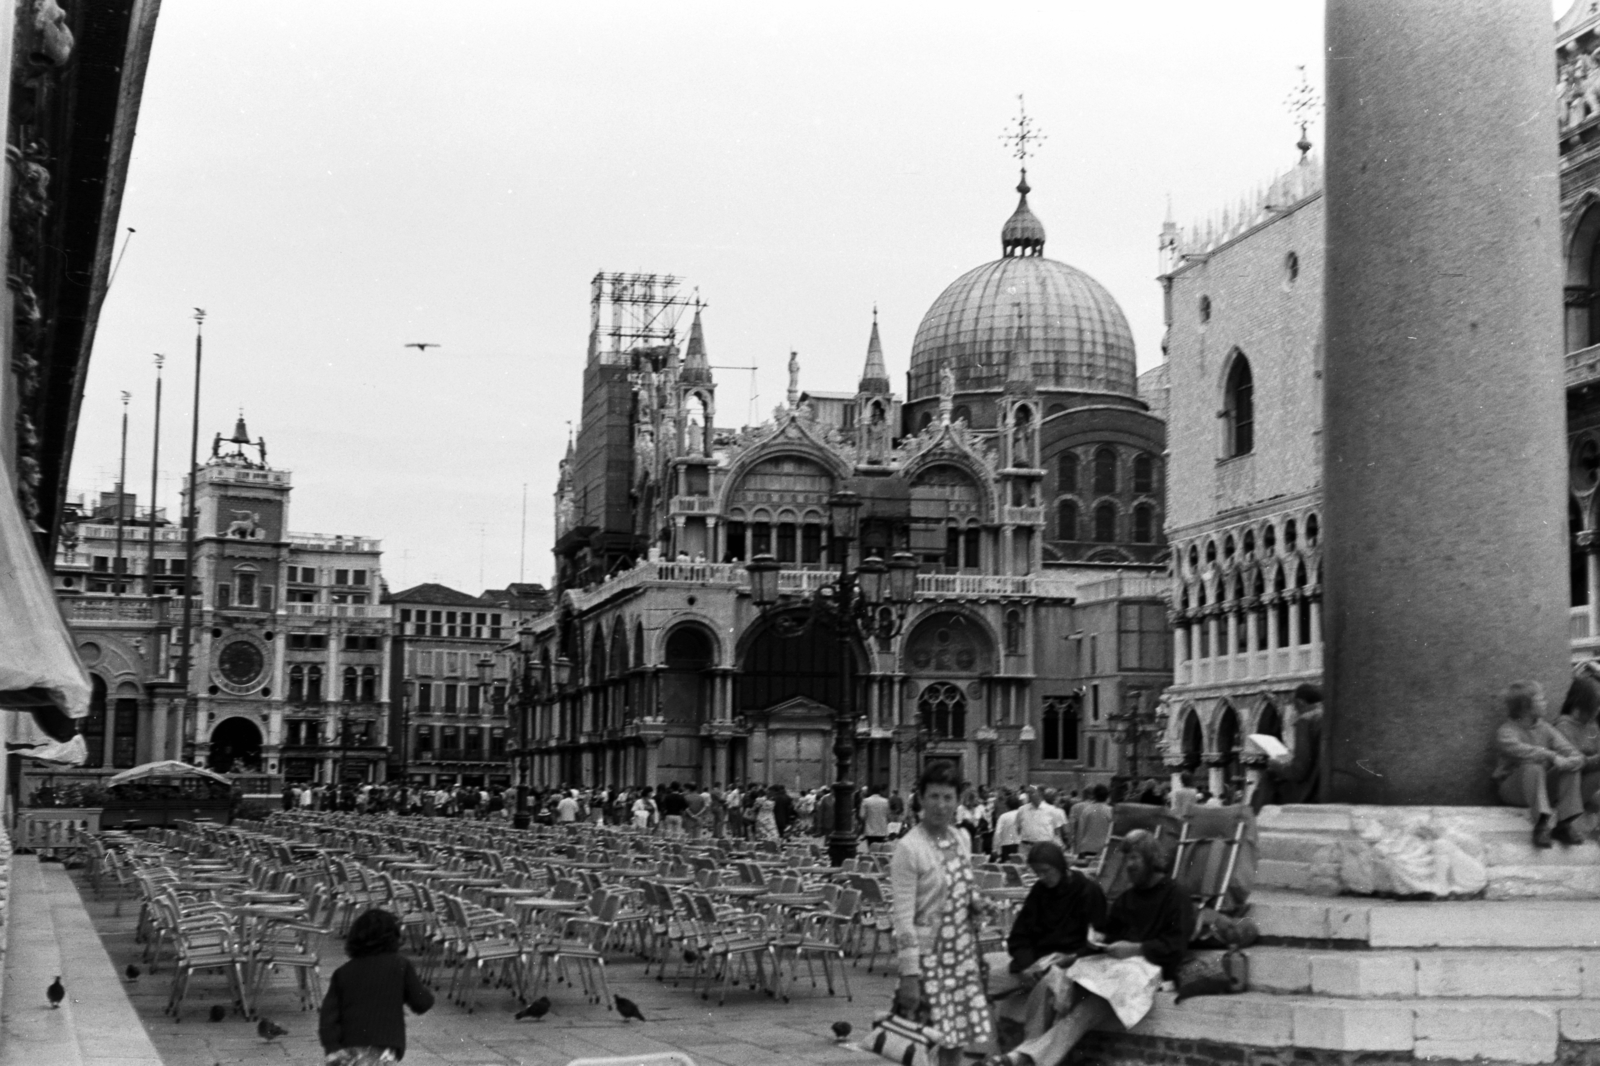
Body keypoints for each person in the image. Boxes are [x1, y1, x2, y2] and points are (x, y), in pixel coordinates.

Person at [992, 830, 1193, 1066]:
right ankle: (1026, 1053)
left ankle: (1024, 1058)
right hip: (1111, 969)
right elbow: (1107, 937)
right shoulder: (1127, 899)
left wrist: (1136, 949)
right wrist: (1095, 944)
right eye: (1126, 859)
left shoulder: (1176, 896)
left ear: (1151, 859)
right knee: (1052, 983)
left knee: (1086, 1009)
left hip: (1146, 972)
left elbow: (1176, 946)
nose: (1128, 865)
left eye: (1134, 858)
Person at [891, 762, 992, 1066]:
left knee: (956, 1040)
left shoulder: (961, 838)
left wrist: (977, 902)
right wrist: (909, 974)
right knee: (922, 1046)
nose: (941, 805)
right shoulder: (909, 848)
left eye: (948, 797)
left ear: (958, 800)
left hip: (961, 955)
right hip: (927, 959)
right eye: (934, 796)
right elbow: (903, 916)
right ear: (920, 799)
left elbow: (964, 884)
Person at [319, 908, 434, 1065]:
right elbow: (421, 1003)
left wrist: (332, 1047)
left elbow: (328, 1016)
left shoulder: (343, 973)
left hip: (348, 1048)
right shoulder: (400, 965)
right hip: (384, 1046)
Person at [1495, 679, 1586, 847]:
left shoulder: (1545, 728)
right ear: (1525, 706)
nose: (1546, 702)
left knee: (1570, 768)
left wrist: (1575, 759)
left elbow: (1567, 749)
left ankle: (1564, 824)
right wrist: (1552, 756)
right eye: (1541, 699)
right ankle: (1541, 825)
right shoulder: (1506, 732)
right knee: (1532, 766)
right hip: (1514, 790)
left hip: (1539, 787)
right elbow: (1524, 751)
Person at [1252, 683, 1326, 810]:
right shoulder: (1328, 716)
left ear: (1300, 702)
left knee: (1269, 775)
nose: (1295, 710)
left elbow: (1299, 772)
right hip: (1325, 783)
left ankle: (1253, 818)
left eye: (1295, 706)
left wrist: (1275, 764)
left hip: (1310, 790)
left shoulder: (1306, 720)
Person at [1555, 674, 1600, 813]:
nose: (1598, 710)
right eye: (1596, 705)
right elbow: (1574, 765)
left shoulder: (1592, 725)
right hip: (1570, 791)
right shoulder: (1563, 727)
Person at [1016, 786, 1067, 858]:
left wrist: (1060, 845)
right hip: (1025, 848)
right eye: (1028, 793)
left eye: (1032, 792)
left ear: (1040, 794)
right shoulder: (1022, 810)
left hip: (1044, 847)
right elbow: (1018, 828)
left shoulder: (1052, 810)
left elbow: (1057, 831)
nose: (1029, 795)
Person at [1067, 784, 1114, 860]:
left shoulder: (1087, 810)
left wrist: (1079, 849)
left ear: (1094, 795)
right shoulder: (1111, 811)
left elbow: (1081, 831)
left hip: (1087, 847)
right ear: (1107, 796)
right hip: (1104, 848)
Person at [992, 791, 1023, 861]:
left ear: (1007, 806)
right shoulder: (1023, 815)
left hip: (1006, 846)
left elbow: (997, 833)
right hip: (1021, 845)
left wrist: (995, 849)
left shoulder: (1003, 817)